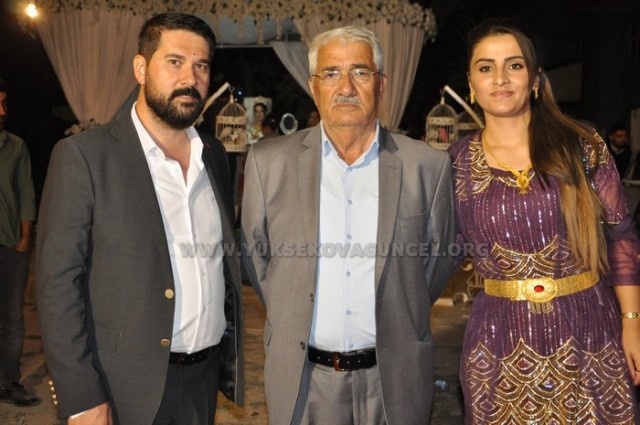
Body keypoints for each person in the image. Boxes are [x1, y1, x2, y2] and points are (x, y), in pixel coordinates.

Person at [241, 26, 456, 425]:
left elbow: (437, 263)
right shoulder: (268, 164)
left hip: (393, 381)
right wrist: (292, 307)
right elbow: (257, 258)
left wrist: (400, 306)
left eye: (360, 72)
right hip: (304, 382)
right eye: (331, 73)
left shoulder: (427, 166)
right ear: (313, 86)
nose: (346, 87)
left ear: (381, 84)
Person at [36, 12, 244, 425]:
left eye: (201, 65)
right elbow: (57, 284)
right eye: (175, 61)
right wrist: (81, 396)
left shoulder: (214, 155)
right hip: (121, 386)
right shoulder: (85, 157)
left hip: (202, 382)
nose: (190, 78)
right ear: (141, 68)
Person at [449, 20, 640, 424]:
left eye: (514, 65)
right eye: (486, 67)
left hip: (589, 327)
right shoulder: (454, 163)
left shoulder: (580, 144)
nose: (500, 78)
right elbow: (438, 249)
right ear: (471, 83)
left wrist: (632, 323)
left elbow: (620, 234)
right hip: (498, 338)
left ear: (535, 79)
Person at [0, 78, 40, 407]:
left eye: (3, 104)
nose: (2, 111)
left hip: (11, 244)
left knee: (12, 316)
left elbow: (27, 193)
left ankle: (7, 382)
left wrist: (26, 237)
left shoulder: (16, 146)